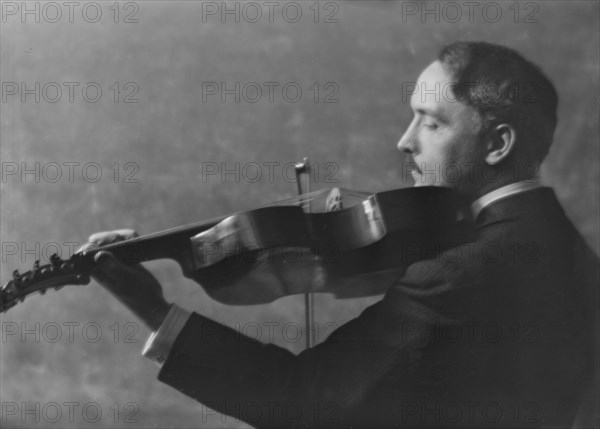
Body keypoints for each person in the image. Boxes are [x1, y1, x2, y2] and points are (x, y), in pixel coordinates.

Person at [87, 41, 599, 428]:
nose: (404, 141)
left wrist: (155, 311)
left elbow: (302, 397)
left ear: (498, 144)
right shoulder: (571, 252)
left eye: (431, 123)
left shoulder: (461, 271)